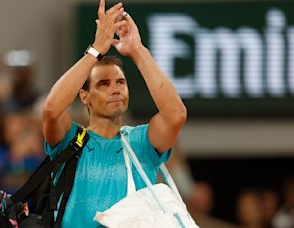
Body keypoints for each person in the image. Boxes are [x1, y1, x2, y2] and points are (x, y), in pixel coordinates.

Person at [42, 0, 187, 226]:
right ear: (84, 96)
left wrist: (138, 51)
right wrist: (96, 49)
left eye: (121, 82)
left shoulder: (142, 142)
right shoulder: (70, 142)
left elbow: (176, 115)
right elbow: (51, 109)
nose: (116, 89)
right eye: (103, 84)